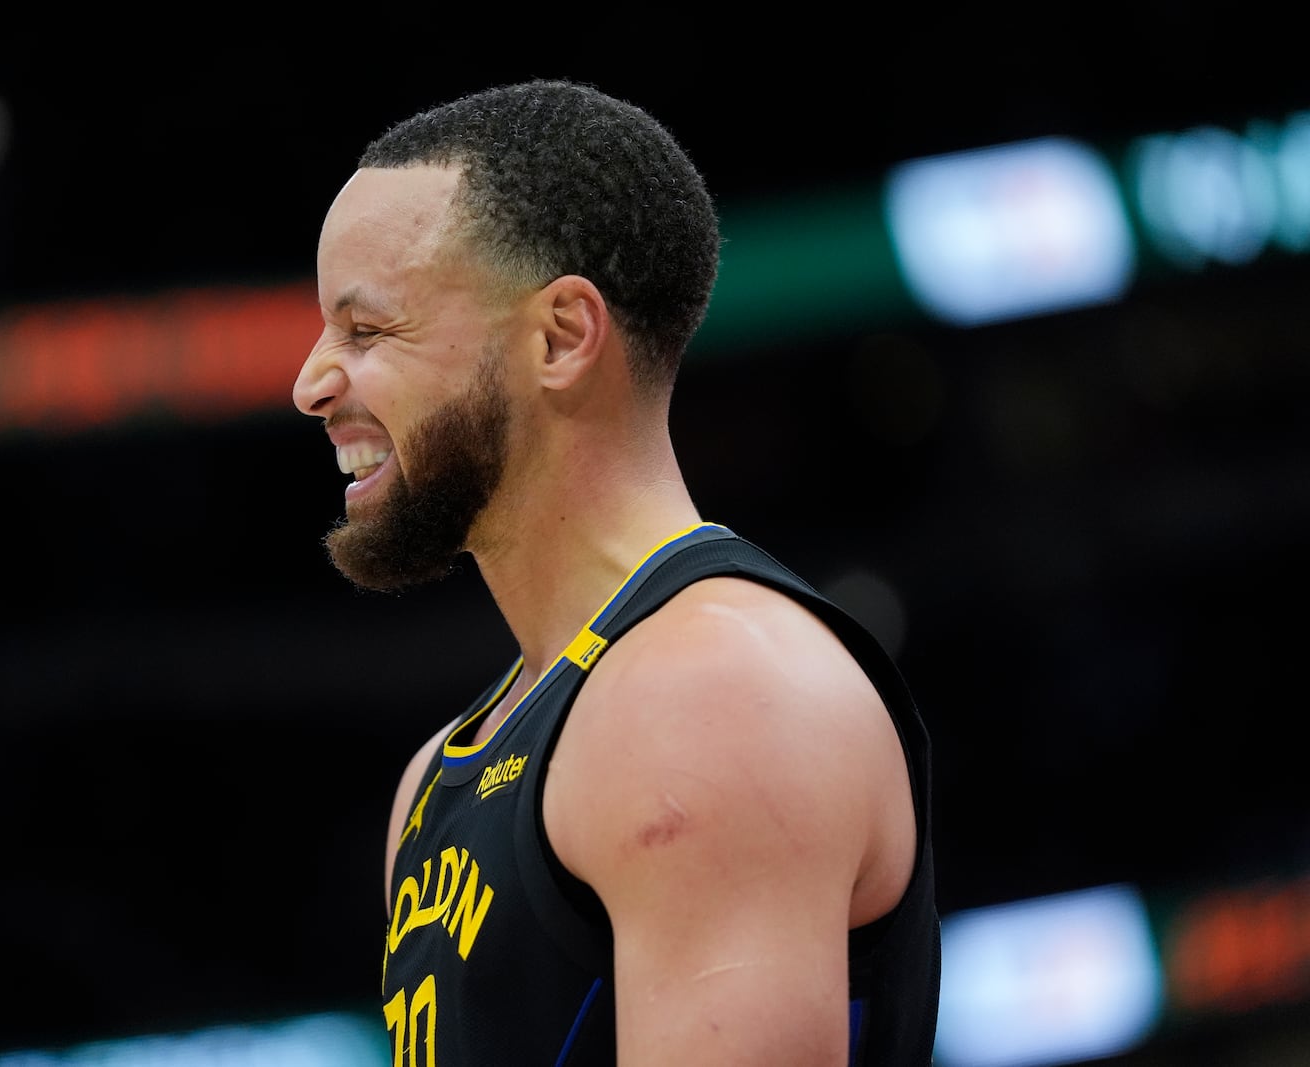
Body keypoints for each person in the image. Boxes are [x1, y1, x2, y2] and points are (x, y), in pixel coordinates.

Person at [292, 79, 940, 1066]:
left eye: (367, 329)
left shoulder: (712, 695)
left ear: (560, 335)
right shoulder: (441, 770)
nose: (310, 382)